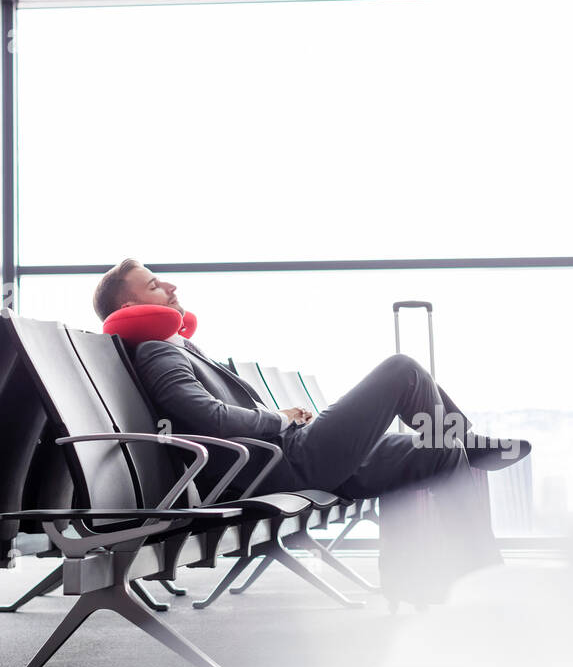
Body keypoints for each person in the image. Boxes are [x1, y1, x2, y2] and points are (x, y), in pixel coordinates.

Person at [91, 258, 528, 604]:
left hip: (288, 453)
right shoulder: (155, 351)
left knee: (437, 452)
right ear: (130, 308)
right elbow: (211, 418)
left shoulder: (176, 347)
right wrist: (279, 418)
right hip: (282, 465)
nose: (171, 287)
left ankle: (463, 583)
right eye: (154, 285)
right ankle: (465, 439)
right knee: (402, 370)